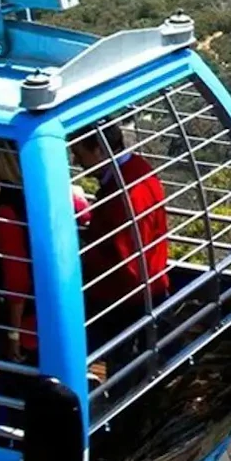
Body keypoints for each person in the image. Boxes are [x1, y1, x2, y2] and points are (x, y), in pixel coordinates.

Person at [71, 121, 170, 362]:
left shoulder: (124, 196)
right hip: (148, 288)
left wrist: (80, 255)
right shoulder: (137, 170)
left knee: (124, 366)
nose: (76, 162)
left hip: (126, 300)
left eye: (79, 153)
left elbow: (126, 264)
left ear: (100, 151)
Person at [0, 145, 35, 365]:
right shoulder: (36, 192)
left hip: (18, 319)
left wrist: (13, 334)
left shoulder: (7, 214)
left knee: (15, 376)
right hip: (43, 308)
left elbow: (17, 281)